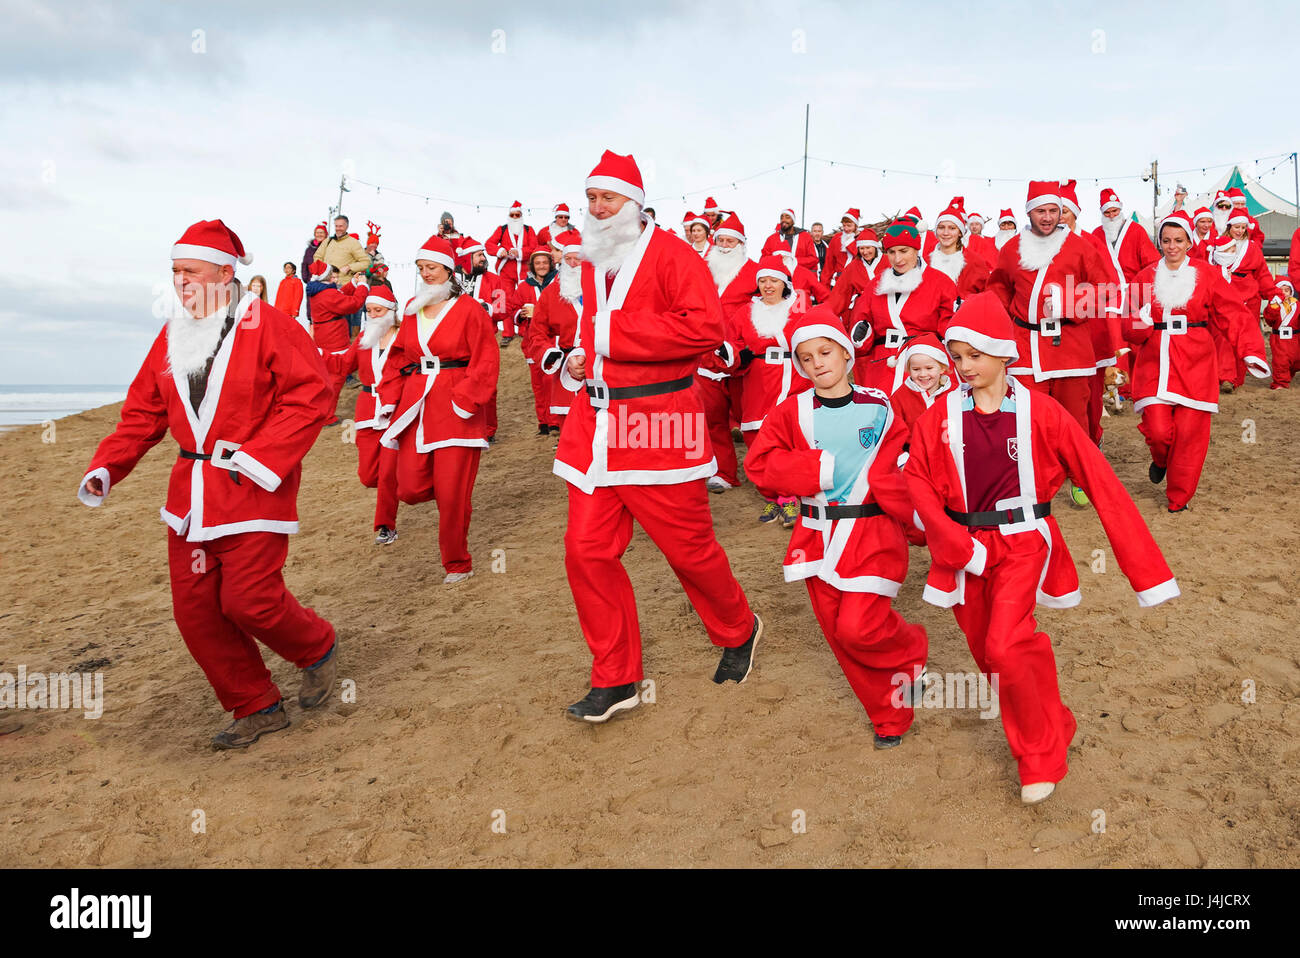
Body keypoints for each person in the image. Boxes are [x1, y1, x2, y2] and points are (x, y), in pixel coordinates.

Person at [904, 291, 1180, 804]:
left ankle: (1039, 758)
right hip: (962, 551)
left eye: (976, 355)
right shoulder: (937, 416)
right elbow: (916, 481)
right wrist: (950, 542)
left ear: (1005, 353)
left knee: (1005, 646)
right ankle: (1056, 722)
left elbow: (1102, 484)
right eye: (957, 356)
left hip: (1026, 543)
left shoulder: (1044, 412)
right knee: (989, 656)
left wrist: (1146, 573)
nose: (964, 367)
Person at [76, 219, 338, 748]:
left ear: (224, 272)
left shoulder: (269, 324)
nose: (180, 282)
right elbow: (143, 412)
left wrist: (262, 457)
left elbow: (312, 394)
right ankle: (257, 705)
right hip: (190, 497)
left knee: (249, 601)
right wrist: (108, 466)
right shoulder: (172, 333)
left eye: (190, 271)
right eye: (175, 272)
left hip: (251, 489)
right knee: (196, 613)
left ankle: (317, 647)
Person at [555, 149, 762, 722]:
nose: (597, 208)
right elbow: (590, 334)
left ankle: (739, 627)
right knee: (586, 551)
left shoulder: (672, 255)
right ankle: (615, 677)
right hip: (594, 426)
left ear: (635, 204)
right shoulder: (595, 259)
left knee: (687, 550)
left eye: (608, 198)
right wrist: (578, 356)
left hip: (657, 425)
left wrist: (608, 335)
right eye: (592, 197)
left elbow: (703, 329)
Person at [744, 307, 928, 749]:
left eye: (825, 352)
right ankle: (888, 716)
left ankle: (911, 649)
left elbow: (908, 459)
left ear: (846, 353)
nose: (816, 364)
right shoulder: (790, 412)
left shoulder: (880, 405)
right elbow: (759, 467)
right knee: (838, 636)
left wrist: (921, 517)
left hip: (874, 533)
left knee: (858, 629)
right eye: (805, 358)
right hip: (815, 537)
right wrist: (815, 469)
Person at [1125, 211, 1269, 509]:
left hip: (1196, 363)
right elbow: (1127, 322)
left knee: (1190, 436)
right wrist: (1140, 321)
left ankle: (1179, 498)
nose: (1172, 246)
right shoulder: (1144, 277)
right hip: (1156, 362)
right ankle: (1160, 459)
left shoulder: (1208, 274)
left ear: (1189, 241)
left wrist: (1251, 350)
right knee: (1158, 430)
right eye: (1166, 240)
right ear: (1159, 242)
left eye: (1178, 240)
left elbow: (1232, 313)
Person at [376, 235, 500, 582]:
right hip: (417, 404)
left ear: (448, 269)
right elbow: (398, 356)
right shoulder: (413, 309)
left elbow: (487, 358)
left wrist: (466, 399)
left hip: (455, 406)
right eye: (420, 268)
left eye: (431, 267)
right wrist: (390, 397)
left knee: (452, 494)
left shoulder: (469, 310)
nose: (425, 273)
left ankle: (457, 563)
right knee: (410, 487)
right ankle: (450, 492)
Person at [987, 181, 1117, 506]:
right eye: (1040, 211)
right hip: (1025, 345)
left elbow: (1107, 290)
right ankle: (1030, 481)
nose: (1047, 217)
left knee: (1075, 418)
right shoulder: (1012, 248)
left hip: (1070, 345)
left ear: (1061, 212)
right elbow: (998, 288)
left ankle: (1079, 476)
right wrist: (996, 326)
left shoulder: (1080, 247)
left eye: (1053, 211)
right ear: (1028, 211)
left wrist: (1071, 301)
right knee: (1025, 416)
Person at [321, 284, 404, 544]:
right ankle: (401, 483)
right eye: (368, 310)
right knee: (369, 476)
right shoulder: (363, 339)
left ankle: (385, 525)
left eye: (378, 310)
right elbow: (343, 365)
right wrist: (317, 354)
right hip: (367, 410)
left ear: (391, 311)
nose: (372, 315)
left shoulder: (405, 338)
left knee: (388, 472)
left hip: (396, 411)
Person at [733, 254, 808, 526]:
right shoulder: (744, 312)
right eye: (763, 281)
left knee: (787, 440)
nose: (768, 286)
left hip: (793, 378)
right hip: (758, 380)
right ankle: (772, 494)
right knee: (755, 439)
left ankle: (788, 498)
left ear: (784, 284)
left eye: (773, 281)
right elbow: (734, 343)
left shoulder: (798, 310)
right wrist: (735, 357)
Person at [849, 219, 957, 395]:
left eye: (903, 251)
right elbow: (861, 321)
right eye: (891, 252)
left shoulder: (940, 282)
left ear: (916, 249)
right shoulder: (876, 284)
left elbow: (949, 328)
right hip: (881, 367)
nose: (897, 259)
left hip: (921, 365)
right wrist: (862, 332)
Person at [698, 214, 758, 492]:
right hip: (707, 356)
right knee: (712, 418)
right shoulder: (702, 270)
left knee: (750, 418)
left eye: (729, 240)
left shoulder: (756, 272)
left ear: (741, 244)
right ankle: (724, 472)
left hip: (743, 357)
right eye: (720, 240)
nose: (723, 245)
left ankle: (764, 472)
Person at [1210, 211, 1279, 392]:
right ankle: (1224, 376)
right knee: (1223, 337)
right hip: (1226, 291)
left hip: (1250, 296)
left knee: (1245, 337)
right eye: (1236, 227)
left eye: (1242, 227)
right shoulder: (1218, 243)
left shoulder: (1253, 247)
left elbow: (1262, 273)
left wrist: (1272, 292)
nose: (1240, 231)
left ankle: (1236, 380)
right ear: (1229, 227)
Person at [526, 229, 584, 434]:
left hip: (600, 367)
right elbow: (536, 334)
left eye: (578, 259)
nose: (572, 264)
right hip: (566, 369)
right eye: (567, 259)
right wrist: (552, 355)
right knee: (570, 433)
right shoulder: (552, 293)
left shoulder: (604, 289)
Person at [304, 261, 369, 419]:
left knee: (328, 377)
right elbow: (352, 304)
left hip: (325, 337)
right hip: (334, 340)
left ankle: (319, 411)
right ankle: (326, 416)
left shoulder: (319, 291)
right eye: (332, 276)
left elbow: (339, 295)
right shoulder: (327, 294)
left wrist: (353, 283)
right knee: (336, 377)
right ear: (326, 277)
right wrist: (362, 287)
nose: (336, 279)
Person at [509, 247, 562, 436]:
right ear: (532, 265)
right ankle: (544, 423)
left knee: (552, 381)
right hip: (531, 340)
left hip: (554, 338)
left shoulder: (559, 281)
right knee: (538, 384)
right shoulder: (524, 286)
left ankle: (555, 421)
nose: (541, 266)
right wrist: (520, 315)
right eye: (538, 263)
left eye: (545, 262)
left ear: (550, 264)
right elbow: (512, 309)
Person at [889, 332, 957, 434]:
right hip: (912, 448)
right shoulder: (899, 397)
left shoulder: (954, 393)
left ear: (942, 368)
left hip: (949, 446)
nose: (923, 374)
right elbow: (894, 430)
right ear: (909, 370)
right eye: (916, 369)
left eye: (929, 368)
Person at [927, 199, 990, 299]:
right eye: (941, 227)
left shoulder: (975, 262)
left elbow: (987, 296)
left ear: (960, 232)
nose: (946, 233)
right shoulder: (926, 260)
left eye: (952, 228)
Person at [486, 201, 537, 285]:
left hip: (525, 270)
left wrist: (519, 252)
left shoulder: (529, 230)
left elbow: (534, 248)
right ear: (509, 216)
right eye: (512, 215)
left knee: (526, 295)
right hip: (505, 270)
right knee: (505, 296)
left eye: (517, 215)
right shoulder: (502, 229)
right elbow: (489, 244)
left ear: (521, 216)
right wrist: (500, 251)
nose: (514, 217)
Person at [1263, 276, 1300, 389]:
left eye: (1286, 290)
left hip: (1295, 337)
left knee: (1296, 360)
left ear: (1291, 291)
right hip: (1279, 338)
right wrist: (1273, 307)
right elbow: (1269, 321)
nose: (1284, 293)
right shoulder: (1273, 305)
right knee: (1280, 361)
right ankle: (1281, 383)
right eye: (1281, 290)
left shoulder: (1297, 304)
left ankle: (1289, 374)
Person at [761, 208, 819, 273]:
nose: (784, 220)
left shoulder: (805, 237)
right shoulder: (771, 239)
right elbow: (763, 259)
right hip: (778, 279)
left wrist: (793, 261)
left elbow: (814, 259)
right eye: (781, 218)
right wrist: (777, 260)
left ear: (793, 221)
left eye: (787, 217)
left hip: (800, 278)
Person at [821, 208, 861, 286]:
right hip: (838, 281)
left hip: (857, 282)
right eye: (844, 225)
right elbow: (829, 265)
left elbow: (861, 256)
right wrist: (824, 286)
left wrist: (850, 243)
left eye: (849, 226)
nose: (846, 229)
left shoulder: (863, 238)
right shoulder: (836, 239)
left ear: (856, 225)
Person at [301, 222, 326, 327]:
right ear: (315, 234)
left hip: (325, 282)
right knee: (311, 309)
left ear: (326, 234)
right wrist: (306, 278)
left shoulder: (328, 247)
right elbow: (304, 264)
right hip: (312, 282)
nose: (319, 234)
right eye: (317, 232)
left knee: (324, 308)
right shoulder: (309, 249)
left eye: (322, 233)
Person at [273, 262, 304, 328]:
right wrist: (275, 310)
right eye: (285, 268)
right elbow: (278, 297)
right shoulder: (282, 281)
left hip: (289, 312)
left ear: (294, 270)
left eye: (289, 268)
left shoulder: (297, 281)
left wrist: (295, 312)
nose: (286, 269)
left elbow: (298, 297)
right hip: (279, 311)